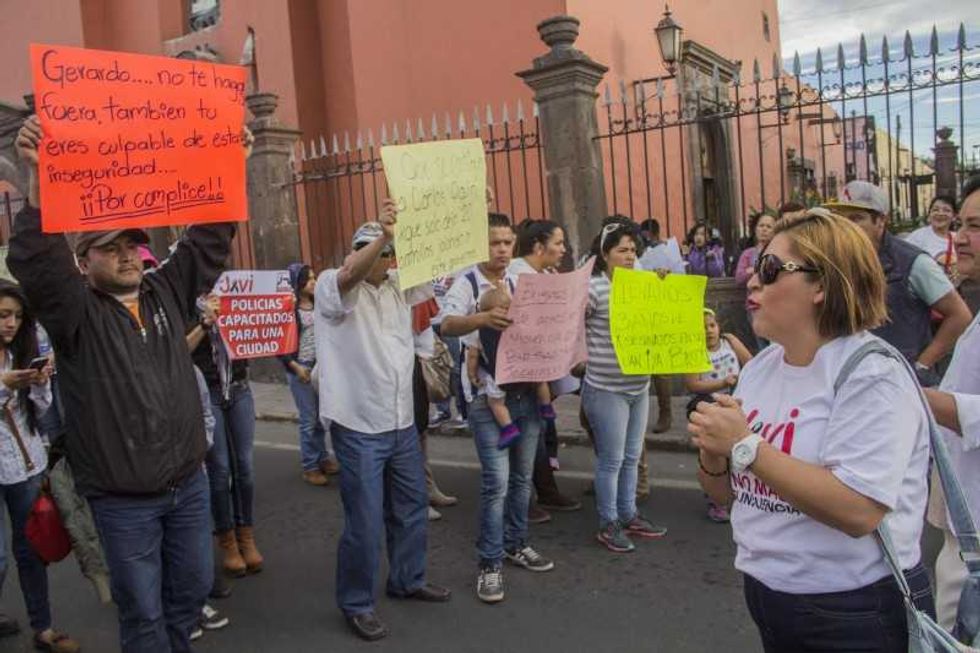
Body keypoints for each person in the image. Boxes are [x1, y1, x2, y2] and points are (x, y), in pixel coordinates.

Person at [10, 115, 248, 652]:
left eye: (132, 244)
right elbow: (37, 265)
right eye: (109, 246)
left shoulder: (165, 290)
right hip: (123, 502)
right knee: (142, 614)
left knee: (187, 596)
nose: (125, 254)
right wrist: (40, 182)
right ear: (84, 260)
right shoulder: (75, 313)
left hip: (187, 487)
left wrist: (229, 166)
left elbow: (207, 242)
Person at [690, 209, 934, 650]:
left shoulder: (870, 374)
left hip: (852, 606)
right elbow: (732, 496)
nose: (751, 281)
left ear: (822, 284)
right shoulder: (761, 367)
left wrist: (744, 444)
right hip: (769, 593)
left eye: (769, 269)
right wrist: (712, 453)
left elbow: (858, 511)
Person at [315, 203, 450, 642]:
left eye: (390, 253)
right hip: (358, 425)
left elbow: (438, 259)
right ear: (354, 251)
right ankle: (356, 602)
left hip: (400, 422)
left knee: (411, 508)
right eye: (369, 249)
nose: (382, 260)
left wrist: (469, 214)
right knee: (365, 520)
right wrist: (384, 238)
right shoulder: (330, 287)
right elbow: (351, 275)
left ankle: (407, 579)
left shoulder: (399, 285)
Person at [440, 212, 555, 605]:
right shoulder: (466, 281)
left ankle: (516, 543)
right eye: (494, 243)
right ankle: (489, 564)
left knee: (523, 479)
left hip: (527, 393)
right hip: (489, 399)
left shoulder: (526, 278)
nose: (502, 250)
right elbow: (445, 324)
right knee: (497, 484)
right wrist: (483, 317)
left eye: (507, 242)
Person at [825, 180, 971, 385]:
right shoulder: (837, 260)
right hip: (852, 380)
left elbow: (960, 315)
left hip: (903, 386)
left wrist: (920, 366)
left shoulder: (913, 261)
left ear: (881, 221)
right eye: (840, 219)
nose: (847, 227)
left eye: (856, 218)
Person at [0, 281, 79, 653]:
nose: (10, 323)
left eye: (17, 316)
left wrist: (39, 383)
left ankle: (43, 627)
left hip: (25, 464)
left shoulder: (22, 352)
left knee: (31, 549)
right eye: (3, 315)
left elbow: (40, 412)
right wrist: (2, 385)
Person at [582, 221, 668, 553]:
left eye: (633, 250)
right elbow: (568, 326)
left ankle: (629, 514)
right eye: (621, 250)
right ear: (605, 255)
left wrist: (662, 286)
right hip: (606, 388)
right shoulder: (593, 289)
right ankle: (608, 523)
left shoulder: (645, 285)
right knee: (612, 459)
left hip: (638, 386)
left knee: (632, 456)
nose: (630, 256)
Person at [922, 174, 980, 632]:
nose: (958, 237)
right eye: (960, 223)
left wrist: (911, 393)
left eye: (975, 226)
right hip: (961, 526)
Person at [186, 295, 263, 578]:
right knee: (219, 470)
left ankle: (247, 535)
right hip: (208, 391)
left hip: (240, 388)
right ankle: (227, 540)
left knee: (245, 468)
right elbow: (179, 351)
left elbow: (260, 333)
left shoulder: (238, 294)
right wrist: (205, 324)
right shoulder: (182, 300)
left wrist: (276, 309)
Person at [509, 220, 581, 517]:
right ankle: (522, 504)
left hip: (540, 372)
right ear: (539, 247)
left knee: (536, 432)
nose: (563, 249)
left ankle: (545, 493)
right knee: (521, 438)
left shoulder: (542, 275)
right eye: (559, 243)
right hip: (515, 378)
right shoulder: (516, 278)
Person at [464, 285, 555, 449]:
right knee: (541, 382)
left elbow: (472, 355)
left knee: (496, 403)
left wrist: (472, 374)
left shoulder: (479, 330)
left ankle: (508, 427)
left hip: (499, 376)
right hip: (525, 371)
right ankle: (546, 406)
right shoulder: (521, 323)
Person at [683, 308, 752, 523]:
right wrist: (722, 383)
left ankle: (741, 493)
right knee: (716, 453)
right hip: (709, 405)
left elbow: (751, 362)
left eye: (712, 325)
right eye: (702, 328)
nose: (709, 331)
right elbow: (693, 384)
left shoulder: (729, 342)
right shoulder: (694, 351)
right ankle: (716, 500)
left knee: (739, 452)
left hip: (735, 402)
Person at [279, 262, 338, 487]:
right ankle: (310, 466)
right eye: (309, 279)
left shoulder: (318, 304)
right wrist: (296, 367)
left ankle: (323, 458)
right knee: (308, 419)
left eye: (315, 277)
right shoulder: (289, 311)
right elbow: (280, 346)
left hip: (319, 368)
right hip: (301, 368)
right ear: (299, 283)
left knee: (321, 417)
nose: (314, 282)